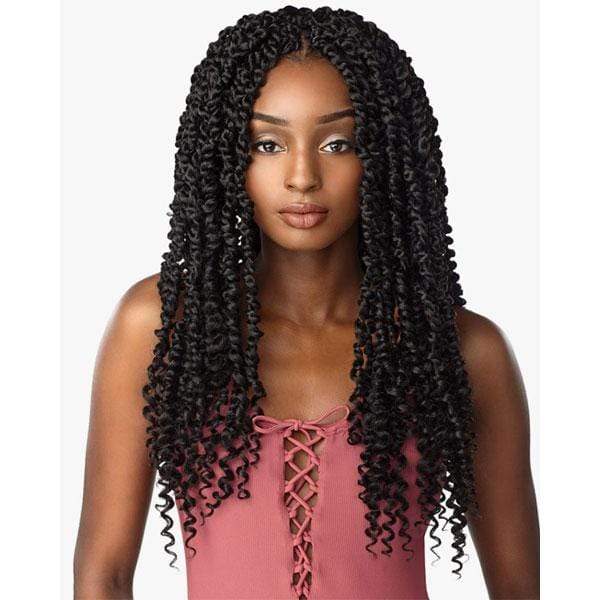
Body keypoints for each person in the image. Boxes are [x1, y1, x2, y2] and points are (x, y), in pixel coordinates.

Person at [73, 6, 540, 599]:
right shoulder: (164, 328)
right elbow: (104, 576)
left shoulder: (461, 349)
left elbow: (518, 590)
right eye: (267, 143)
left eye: (339, 143)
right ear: (226, 158)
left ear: (386, 155)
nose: (301, 176)